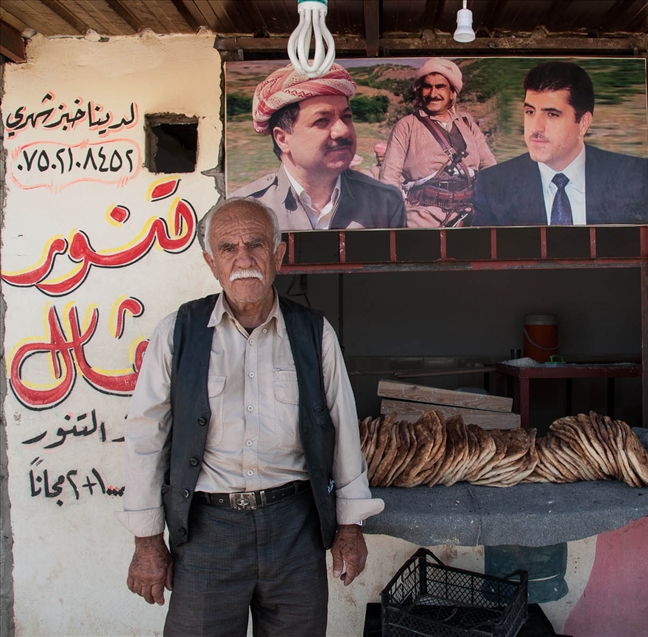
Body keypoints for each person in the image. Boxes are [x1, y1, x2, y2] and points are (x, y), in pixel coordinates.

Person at [119, 197, 384, 635]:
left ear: (277, 255)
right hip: (207, 532)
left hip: (295, 529)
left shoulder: (313, 333)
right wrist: (147, 539)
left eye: (256, 245)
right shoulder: (178, 332)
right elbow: (146, 436)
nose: (244, 259)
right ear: (211, 262)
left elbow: (342, 431)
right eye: (228, 248)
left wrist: (350, 527)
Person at [472, 61, 648, 226]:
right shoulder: (492, 185)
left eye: (552, 114)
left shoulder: (634, 177)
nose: (536, 127)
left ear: (583, 123)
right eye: (530, 112)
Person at [231, 63, 406, 231]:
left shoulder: (385, 202)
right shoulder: (244, 211)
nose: (343, 131)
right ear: (282, 139)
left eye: (346, 117)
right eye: (321, 120)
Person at [379, 58, 496, 227]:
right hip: (423, 215)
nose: (433, 94)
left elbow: (489, 165)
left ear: (452, 93)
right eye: (427, 87)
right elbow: (389, 176)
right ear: (420, 91)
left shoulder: (467, 123)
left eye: (440, 87)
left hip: (472, 211)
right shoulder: (406, 125)